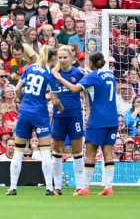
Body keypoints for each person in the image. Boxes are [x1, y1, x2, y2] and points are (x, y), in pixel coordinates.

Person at [52, 51, 118, 196]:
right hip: (113, 119)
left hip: (97, 120)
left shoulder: (91, 76)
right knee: (108, 152)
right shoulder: (111, 75)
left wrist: (59, 77)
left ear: (92, 63)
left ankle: (85, 188)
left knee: (90, 153)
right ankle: (108, 187)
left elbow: (75, 89)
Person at [7, 45, 64, 196]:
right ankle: (49, 188)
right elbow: (54, 100)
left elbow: (18, 89)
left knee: (18, 151)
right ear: (53, 59)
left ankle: (13, 188)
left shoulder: (29, 68)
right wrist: (62, 108)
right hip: (39, 113)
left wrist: (22, 101)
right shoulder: (50, 74)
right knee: (45, 151)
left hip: (24, 111)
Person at [51, 46, 85, 196]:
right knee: (57, 151)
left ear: (71, 58)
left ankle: (79, 186)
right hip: (59, 117)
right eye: (60, 57)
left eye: (65, 57)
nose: (63, 60)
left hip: (75, 115)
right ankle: (57, 187)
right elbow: (52, 95)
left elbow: (85, 93)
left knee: (77, 151)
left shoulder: (78, 73)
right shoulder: (54, 74)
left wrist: (88, 111)